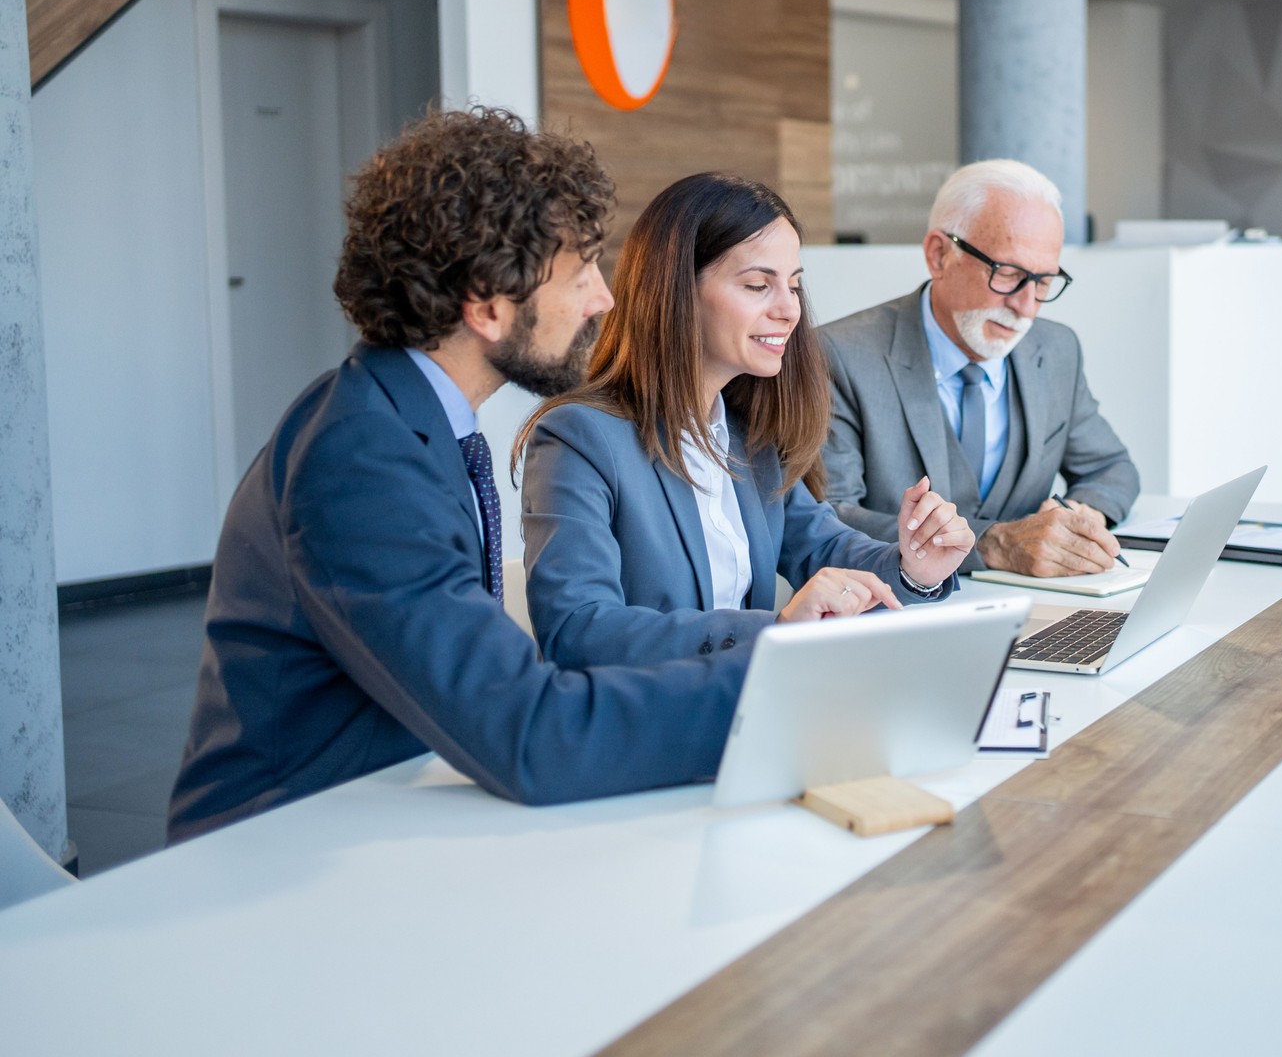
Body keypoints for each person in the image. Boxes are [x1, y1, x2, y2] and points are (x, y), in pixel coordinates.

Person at [169, 108, 747, 844]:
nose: (603, 299)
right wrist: (770, 679)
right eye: (580, 272)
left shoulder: (403, 419)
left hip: (382, 811)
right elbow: (529, 732)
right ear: (487, 306)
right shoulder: (362, 462)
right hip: (275, 853)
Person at [517, 174, 973, 671]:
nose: (789, 310)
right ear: (675, 291)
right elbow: (578, 631)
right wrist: (773, 633)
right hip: (645, 727)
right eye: (759, 285)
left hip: (749, 711)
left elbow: (826, 546)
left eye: (794, 286)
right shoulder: (579, 438)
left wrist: (915, 569)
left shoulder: (747, 436)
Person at [819, 159, 1139, 578]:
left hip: (1038, 609)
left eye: (1044, 282)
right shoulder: (837, 354)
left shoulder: (1057, 349)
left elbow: (1111, 469)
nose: (1025, 307)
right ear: (939, 255)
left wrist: (1076, 521)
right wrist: (993, 544)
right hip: (896, 615)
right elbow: (828, 520)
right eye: (1008, 274)